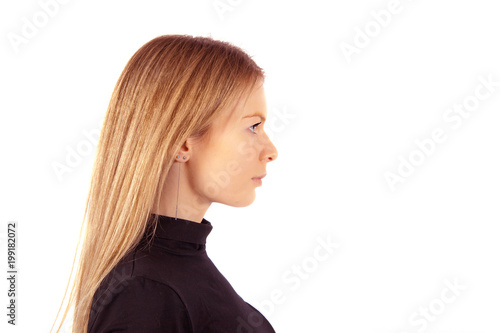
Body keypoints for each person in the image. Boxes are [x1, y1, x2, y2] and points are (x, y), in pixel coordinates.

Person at [51, 34, 278, 332]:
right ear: (182, 143)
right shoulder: (145, 294)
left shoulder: (168, 278)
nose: (270, 151)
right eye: (252, 127)